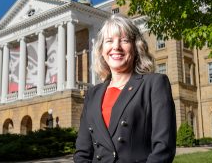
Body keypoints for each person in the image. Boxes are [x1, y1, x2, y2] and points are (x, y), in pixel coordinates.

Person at [74, 15, 176, 163]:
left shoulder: (154, 84)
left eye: (124, 40)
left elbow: (163, 148)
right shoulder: (92, 94)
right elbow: (82, 152)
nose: (116, 46)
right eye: (109, 41)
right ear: (102, 50)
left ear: (136, 47)